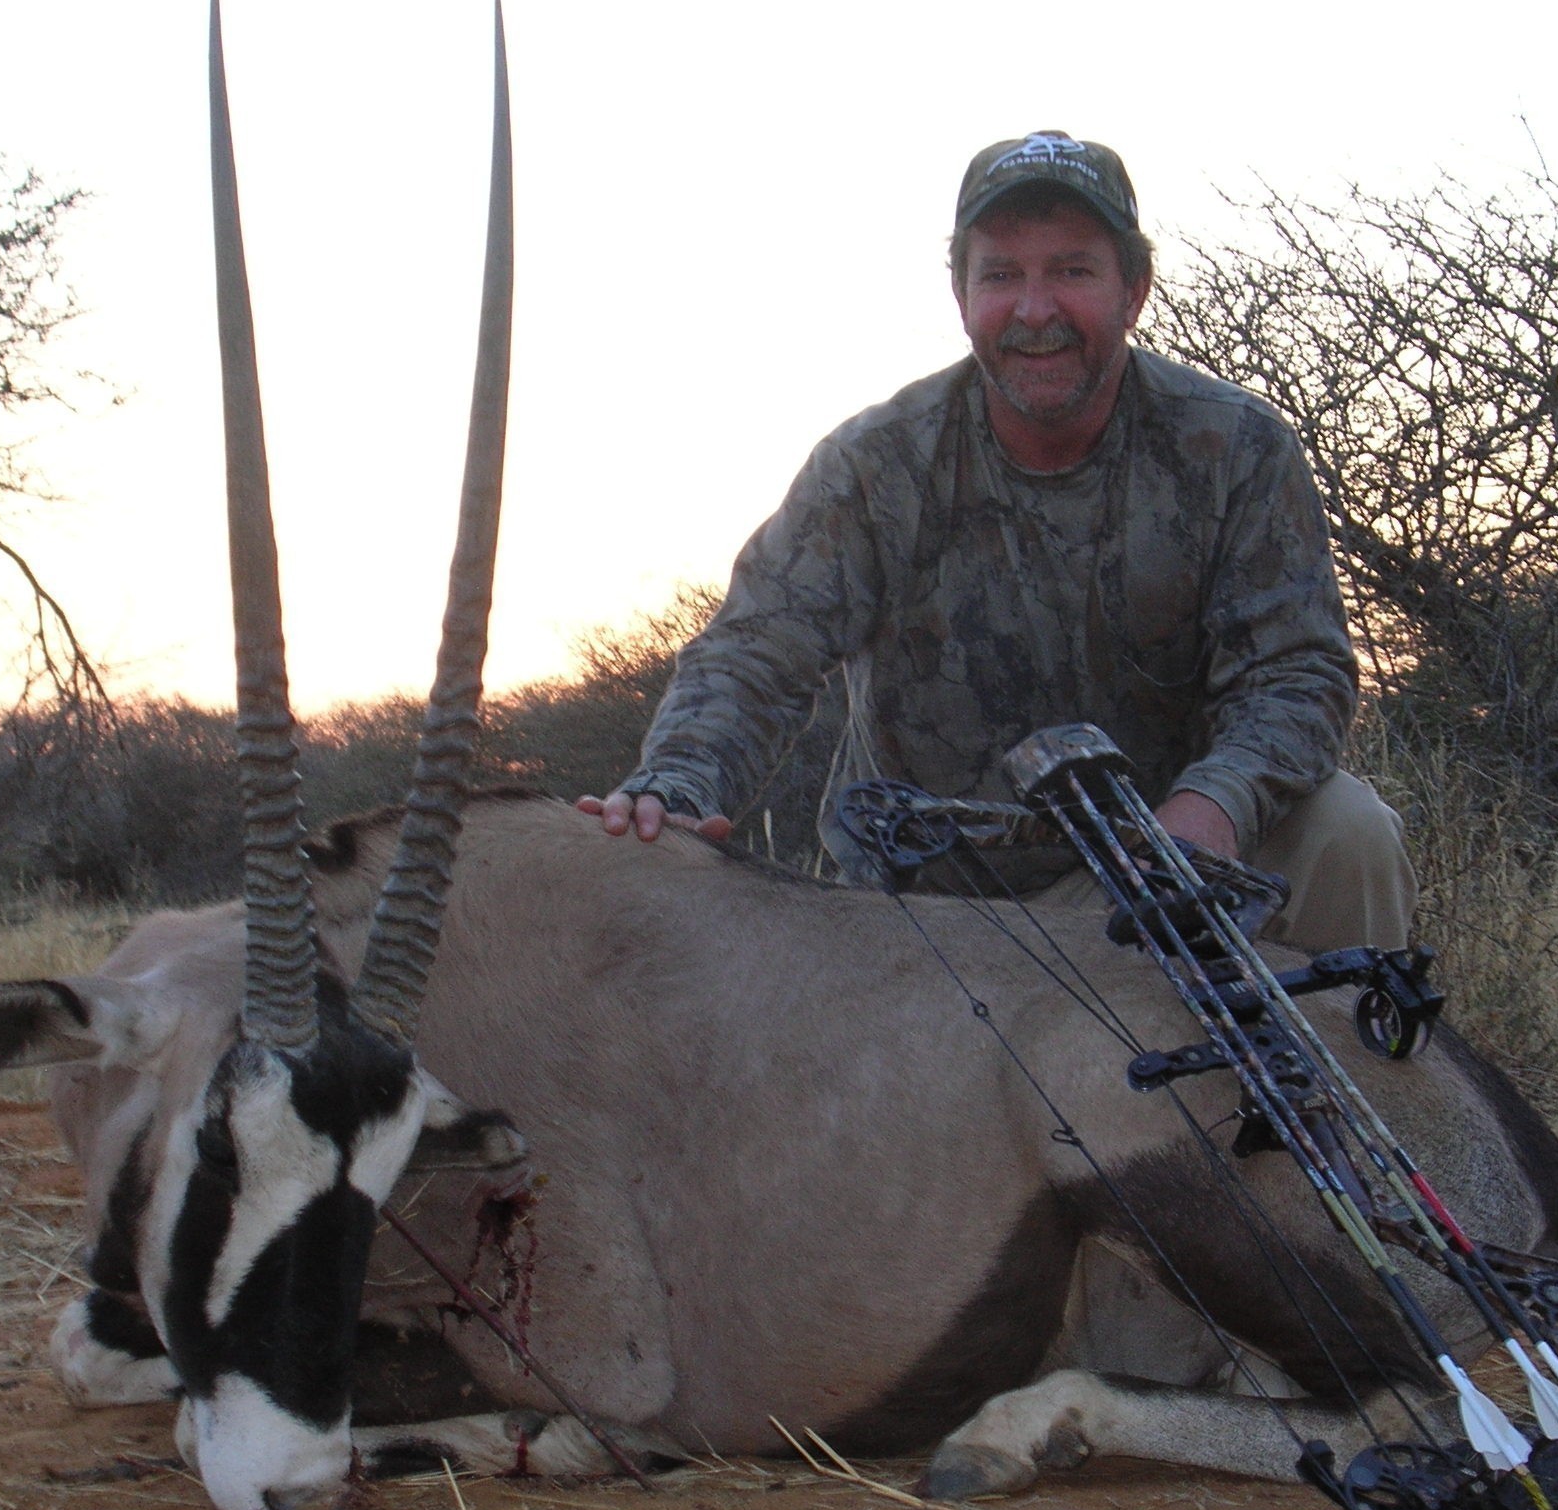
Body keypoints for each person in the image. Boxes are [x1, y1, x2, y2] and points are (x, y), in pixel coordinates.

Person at [579, 131, 1415, 952]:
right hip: (927, 918)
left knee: (1349, 831)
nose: (1035, 309)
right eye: (1003, 274)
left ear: (1134, 289)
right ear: (961, 293)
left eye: (1072, 270)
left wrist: (1217, 805)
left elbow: (1296, 670)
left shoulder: (1237, 446)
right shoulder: (874, 463)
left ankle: (1351, 1088)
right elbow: (756, 651)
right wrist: (676, 786)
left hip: (1158, 878)